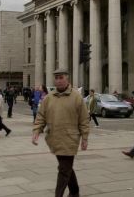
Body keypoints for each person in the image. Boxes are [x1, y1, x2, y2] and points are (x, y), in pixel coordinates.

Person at [32, 68, 90, 197]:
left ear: (67, 78)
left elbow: (84, 119)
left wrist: (85, 138)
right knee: (66, 168)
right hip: (54, 139)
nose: (58, 81)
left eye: (61, 78)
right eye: (56, 78)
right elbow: (41, 116)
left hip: (70, 139)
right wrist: (37, 131)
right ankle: (74, 191)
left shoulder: (76, 97)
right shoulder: (49, 98)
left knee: (63, 169)